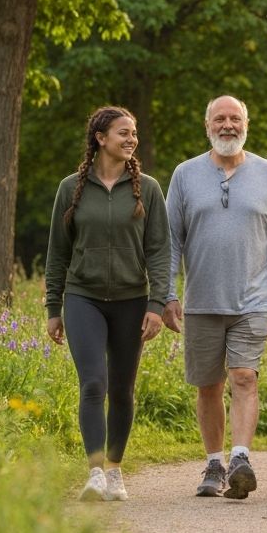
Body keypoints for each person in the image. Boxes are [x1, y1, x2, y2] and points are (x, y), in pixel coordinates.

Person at [163, 95, 267, 499]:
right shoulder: (185, 175)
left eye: (235, 118)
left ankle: (240, 458)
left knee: (243, 377)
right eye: (220, 119)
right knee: (208, 385)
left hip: (253, 302)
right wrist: (167, 294)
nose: (228, 125)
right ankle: (213, 463)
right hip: (201, 301)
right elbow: (170, 241)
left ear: (246, 124)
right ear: (207, 126)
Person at [45, 106, 170, 502]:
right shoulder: (71, 188)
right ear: (100, 138)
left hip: (132, 300)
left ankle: (115, 471)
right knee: (94, 382)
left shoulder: (147, 188)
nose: (131, 139)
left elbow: (160, 251)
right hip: (84, 298)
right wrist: (53, 308)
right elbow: (57, 253)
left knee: (122, 387)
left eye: (133, 133)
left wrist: (157, 303)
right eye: (123, 133)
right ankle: (95, 472)